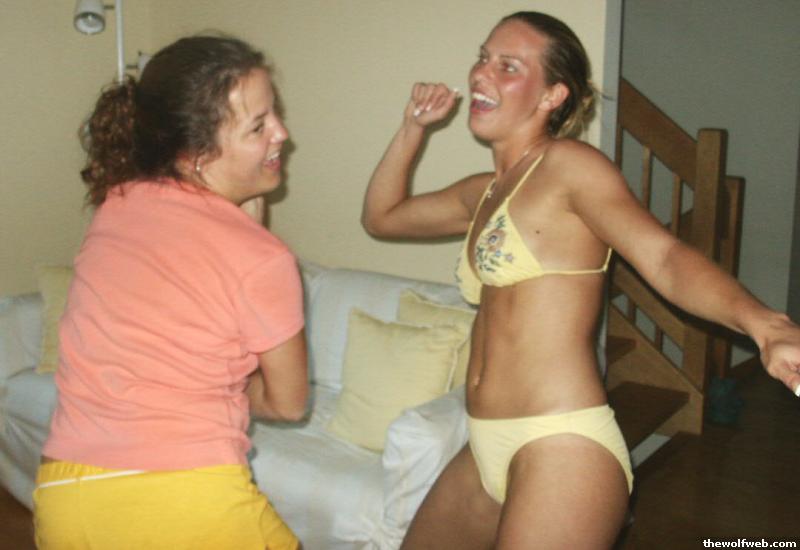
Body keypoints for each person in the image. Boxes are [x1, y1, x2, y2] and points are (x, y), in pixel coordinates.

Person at [362, 11, 800, 549]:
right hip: (482, 443)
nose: (481, 73)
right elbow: (382, 218)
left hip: (561, 444)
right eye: (483, 58)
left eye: (508, 66)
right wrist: (413, 128)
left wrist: (767, 326)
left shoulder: (568, 166)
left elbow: (663, 257)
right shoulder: (483, 192)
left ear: (552, 95)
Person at [33, 35, 307, 550]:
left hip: (66, 498)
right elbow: (289, 404)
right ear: (198, 152)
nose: (281, 133)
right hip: (185, 501)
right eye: (258, 125)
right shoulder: (264, 260)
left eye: (275, 114)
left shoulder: (117, 205)